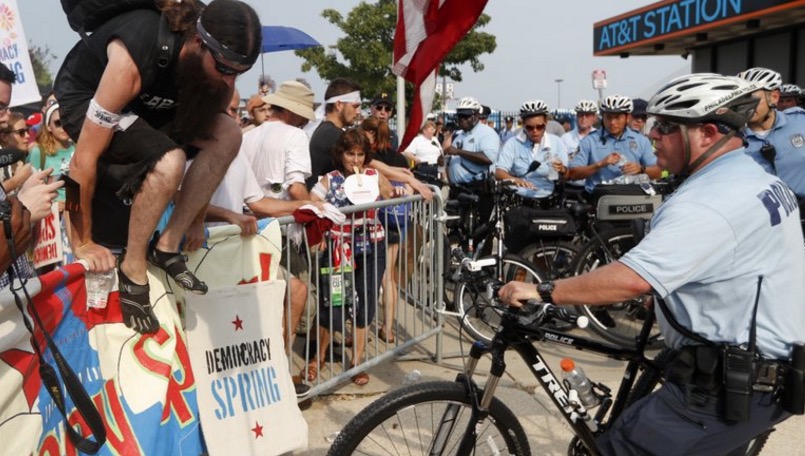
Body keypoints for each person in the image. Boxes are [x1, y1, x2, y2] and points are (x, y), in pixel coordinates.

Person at [500, 73, 805, 455]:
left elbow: (631, 280)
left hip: (722, 389)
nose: (651, 135)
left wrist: (544, 289)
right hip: (759, 372)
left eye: (666, 126)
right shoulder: (753, 175)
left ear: (707, 133)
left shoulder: (709, 201)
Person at [54, 0, 262, 334]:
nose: (229, 81)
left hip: (148, 107)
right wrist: (82, 240)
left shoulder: (218, 75)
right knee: (169, 161)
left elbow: (212, 154)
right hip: (86, 96)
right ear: (197, 42)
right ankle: (132, 268)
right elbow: (80, 163)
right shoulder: (134, 55)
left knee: (229, 133)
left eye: (239, 73)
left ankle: (166, 246)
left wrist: (194, 220)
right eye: (224, 68)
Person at [308, 128, 392, 386]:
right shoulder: (330, 180)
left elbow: (388, 194)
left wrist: (375, 183)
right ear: (340, 154)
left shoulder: (372, 175)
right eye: (350, 154)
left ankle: (357, 362)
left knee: (366, 303)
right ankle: (317, 358)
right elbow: (311, 202)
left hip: (372, 247)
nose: (355, 160)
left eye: (360, 154)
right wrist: (321, 226)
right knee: (333, 302)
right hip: (338, 250)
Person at [567, 94, 661, 194]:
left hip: (631, 199)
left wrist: (641, 169)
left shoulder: (641, 140)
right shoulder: (589, 141)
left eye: (617, 117)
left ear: (627, 117)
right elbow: (573, 174)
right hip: (598, 200)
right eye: (608, 117)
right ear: (603, 117)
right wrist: (600, 164)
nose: (612, 122)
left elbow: (658, 172)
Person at [737, 67, 805, 200]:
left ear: (774, 97)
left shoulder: (800, 120)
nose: (745, 106)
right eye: (740, 100)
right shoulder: (733, 140)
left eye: (752, 99)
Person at [242, 80, 315, 202]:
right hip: (282, 218)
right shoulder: (296, 135)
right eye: (303, 115)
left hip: (249, 216)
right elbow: (296, 189)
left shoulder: (247, 137)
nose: (305, 121)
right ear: (290, 111)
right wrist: (313, 212)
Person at [494, 100, 568, 201]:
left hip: (548, 200)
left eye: (540, 127)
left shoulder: (556, 142)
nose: (535, 131)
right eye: (530, 127)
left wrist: (562, 170)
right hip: (519, 199)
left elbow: (567, 175)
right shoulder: (513, 143)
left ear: (546, 122)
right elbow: (499, 172)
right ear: (523, 124)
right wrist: (515, 180)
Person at [29, 103, 75, 212]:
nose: (63, 127)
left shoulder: (80, 150)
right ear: (49, 126)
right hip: (51, 217)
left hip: (75, 213)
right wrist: (52, 204)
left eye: (66, 122)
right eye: (58, 123)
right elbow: (32, 189)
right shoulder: (39, 153)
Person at [444, 96, 500, 185]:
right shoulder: (459, 135)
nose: (462, 119)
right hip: (456, 189)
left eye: (466, 116)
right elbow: (452, 157)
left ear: (477, 115)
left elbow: (488, 158)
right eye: (460, 116)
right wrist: (444, 160)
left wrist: (458, 152)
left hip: (476, 189)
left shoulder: (487, 133)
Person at [561, 99, 598, 190]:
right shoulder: (566, 138)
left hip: (594, 186)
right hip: (572, 186)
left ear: (594, 118)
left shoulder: (600, 137)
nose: (583, 118)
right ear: (576, 117)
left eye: (587, 115)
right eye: (581, 115)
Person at [0, 112, 33, 193]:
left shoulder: (24, 158)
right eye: (21, 132)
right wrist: (16, 181)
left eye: (27, 131)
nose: (27, 136)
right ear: (4, 137)